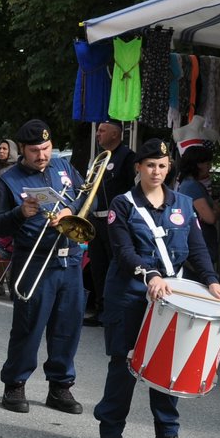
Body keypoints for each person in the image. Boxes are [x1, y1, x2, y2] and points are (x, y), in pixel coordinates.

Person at [92, 139, 220, 438]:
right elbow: (123, 251)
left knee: (169, 360)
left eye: (162, 165)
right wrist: (150, 276)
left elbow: (197, 248)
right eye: (150, 165)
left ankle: (167, 435)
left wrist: (212, 281)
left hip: (170, 296)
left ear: (169, 168)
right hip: (130, 293)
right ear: (138, 168)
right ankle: (112, 433)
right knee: (124, 362)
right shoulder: (122, 204)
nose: (156, 171)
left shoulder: (183, 204)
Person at [0, 120, 88, 415]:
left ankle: (60, 385)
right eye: (35, 150)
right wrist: (21, 213)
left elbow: (84, 193)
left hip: (68, 258)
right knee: (28, 325)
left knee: (67, 326)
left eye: (46, 148)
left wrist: (73, 210)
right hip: (33, 258)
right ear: (22, 150)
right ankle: (15, 383)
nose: (42, 155)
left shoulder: (63, 167)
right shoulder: (8, 180)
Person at [85, 120, 135, 323]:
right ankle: (100, 309)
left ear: (115, 134)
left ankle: (116, 311)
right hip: (96, 219)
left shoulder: (128, 157)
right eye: (97, 131)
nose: (98, 134)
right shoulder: (99, 158)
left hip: (115, 220)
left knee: (115, 267)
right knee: (98, 266)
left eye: (102, 131)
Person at [175, 145, 219, 259]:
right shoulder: (192, 186)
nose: (210, 167)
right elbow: (210, 218)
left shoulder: (187, 183)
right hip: (200, 248)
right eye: (207, 164)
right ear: (197, 164)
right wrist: (217, 210)